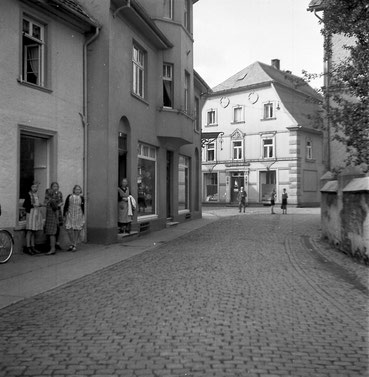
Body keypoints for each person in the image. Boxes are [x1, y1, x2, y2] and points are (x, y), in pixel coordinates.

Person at [23, 182, 44, 255]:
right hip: (31, 213)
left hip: (36, 213)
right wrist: (34, 205)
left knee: (34, 231)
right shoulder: (28, 194)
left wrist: (40, 204)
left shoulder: (36, 195)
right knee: (30, 230)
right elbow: (25, 204)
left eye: (36, 187)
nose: (35, 188)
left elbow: (37, 203)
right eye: (33, 187)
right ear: (30, 188)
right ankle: (28, 246)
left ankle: (33, 246)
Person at [63, 185, 85, 252]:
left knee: (77, 229)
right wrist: (64, 214)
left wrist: (83, 215)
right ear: (74, 190)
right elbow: (66, 205)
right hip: (70, 214)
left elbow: (82, 207)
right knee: (69, 229)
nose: (77, 191)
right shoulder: (69, 196)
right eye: (76, 189)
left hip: (78, 214)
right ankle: (72, 242)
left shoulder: (81, 197)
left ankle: (74, 244)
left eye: (79, 189)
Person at [44, 182, 63, 255]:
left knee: (52, 233)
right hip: (51, 218)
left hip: (52, 218)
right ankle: (52, 248)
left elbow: (56, 209)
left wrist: (57, 219)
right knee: (51, 233)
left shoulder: (52, 201)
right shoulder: (50, 200)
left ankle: (53, 249)